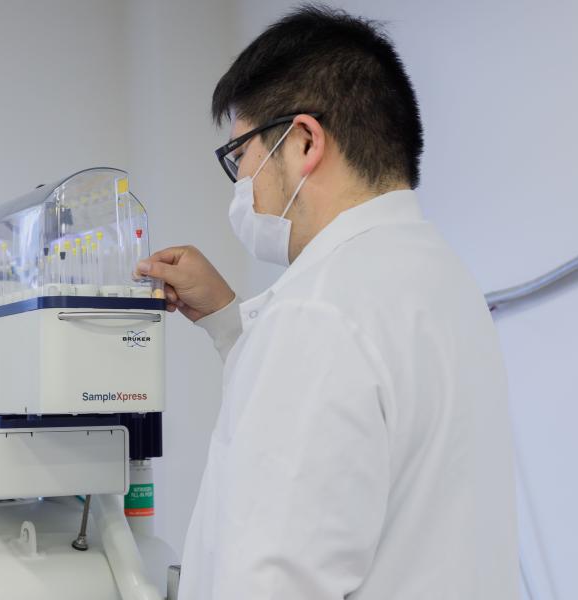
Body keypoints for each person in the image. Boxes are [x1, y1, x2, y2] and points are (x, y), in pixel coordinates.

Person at [135, 5, 518, 599]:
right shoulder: (438, 278)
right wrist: (229, 322)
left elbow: (273, 584)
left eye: (240, 157)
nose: (242, 186)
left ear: (304, 141)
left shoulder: (317, 312)